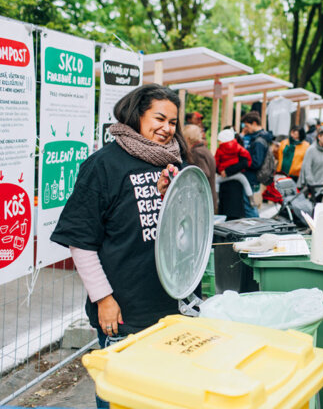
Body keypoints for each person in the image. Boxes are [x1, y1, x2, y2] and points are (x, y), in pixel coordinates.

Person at [50, 84, 190, 408]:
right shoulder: (103, 165)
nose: (167, 129)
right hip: (124, 310)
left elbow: (184, 233)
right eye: (159, 118)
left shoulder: (171, 164)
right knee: (120, 398)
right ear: (137, 113)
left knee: (158, 396)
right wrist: (104, 299)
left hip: (169, 303)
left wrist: (170, 197)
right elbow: (81, 241)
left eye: (172, 122)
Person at [241, 111, 274, 217]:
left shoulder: (258, 141)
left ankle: (255, 226)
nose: (246, 128)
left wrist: (242, 162)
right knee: (250, 203)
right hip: (255, 176)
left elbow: (256, 162)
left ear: (254, 123)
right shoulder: (263, 137)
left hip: (251, 176)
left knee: (249, 206)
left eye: (247, 125)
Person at [214, 128, 254, 206]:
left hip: (224, 175)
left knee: (216, 181)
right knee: (245, 182)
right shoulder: (238, 148)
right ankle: (251, 199)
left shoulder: (220, 150)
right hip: (238, 174)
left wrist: (222, 171)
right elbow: (246, 160)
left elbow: (216, 162)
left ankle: (216, 200)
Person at [182, 123, 217, 213]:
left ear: (188, 138)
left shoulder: (196, 152)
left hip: (203, 200)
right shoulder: (204, 149)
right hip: (209, 198)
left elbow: (203, 174)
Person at [298, 129, 323, 202]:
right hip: (315, 186)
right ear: (319, 137)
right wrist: (312, 184)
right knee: (314, 209)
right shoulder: (311, 150)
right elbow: (306, 168)